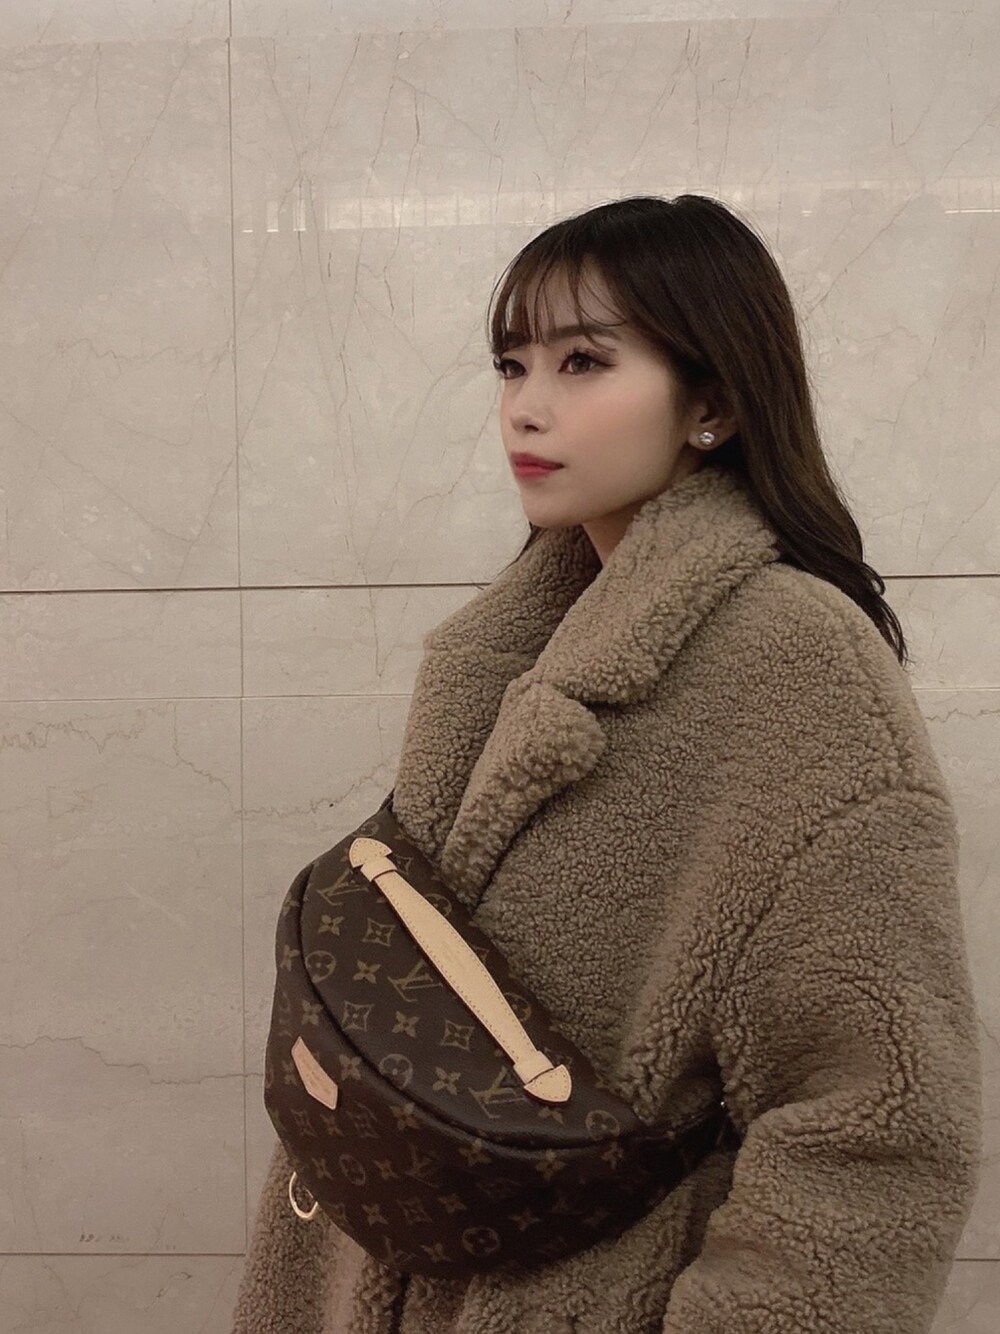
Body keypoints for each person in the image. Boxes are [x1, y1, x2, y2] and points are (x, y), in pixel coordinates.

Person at [232, 194, 982, 1333]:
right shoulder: (502, 653)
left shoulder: (797, 664)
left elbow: (874, 1120)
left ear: (713, 404)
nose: (526, 407)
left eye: (583, 361)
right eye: (512, 364)